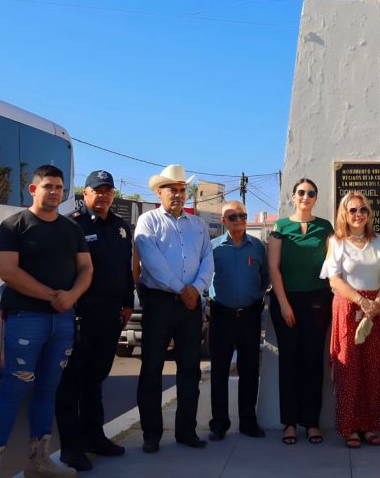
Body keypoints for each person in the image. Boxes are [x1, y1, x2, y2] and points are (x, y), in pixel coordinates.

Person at [0, 165, 92, 478]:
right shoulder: (13, 226)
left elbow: (86, 269)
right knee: (15, 389)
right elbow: (8, 272)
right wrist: (53, 295)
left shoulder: (72, 229)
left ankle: (38, 461)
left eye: (59, 187)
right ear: (33, 190)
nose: (54, 192)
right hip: (26, 319)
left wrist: (70, 297)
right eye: (48, 186)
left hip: (64, 321)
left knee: (47, 389)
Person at [55, 170, 135, 471]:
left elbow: (125, 270)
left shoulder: (120, 227)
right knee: (71, 381)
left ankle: (94, 437)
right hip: (81, 313)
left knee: (96, 378)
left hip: (111, 314)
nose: (102, 195)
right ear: (85, 194)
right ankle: (70, 446)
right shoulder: (72, 224)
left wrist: (128, 302)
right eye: (96, 190)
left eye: (107, 190)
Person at [135, 164, 214, 453]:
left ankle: (186, 431)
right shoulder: (148, 221)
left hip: (191, 304)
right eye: (173, 189)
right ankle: (151, 434)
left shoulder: (198, 225)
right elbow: (152, 262)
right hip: (159, 302)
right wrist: (182, 289)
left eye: (182, 190)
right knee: (152, 368)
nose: (179, 195)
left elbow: (208, 260)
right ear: (160, 192)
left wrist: (197, 289)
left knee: (190, 370)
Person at [320, 191, 380, 448]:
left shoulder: (379, 241)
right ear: (344, 214)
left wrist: (377, 304)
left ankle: (370, 426)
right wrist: (361, 301)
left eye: (363, 209)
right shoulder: (336, 242)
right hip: (348, 308)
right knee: (348, 369)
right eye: (352, 210)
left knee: (373, 369)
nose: (358, 214)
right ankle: (349, 427)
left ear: (369, 213)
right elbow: (334, 279)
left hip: (375, 308)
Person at [268, 178, 335, 445]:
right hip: (287, 301)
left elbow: (333, 262)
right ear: (293, 197)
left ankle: (312, 423)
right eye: (301, 193)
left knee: (312, 362)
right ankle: (290, 423)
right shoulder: (281, 227)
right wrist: (284, 304)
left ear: (316, 198)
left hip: (318, 301)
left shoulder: (324, 227)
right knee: (289, 362)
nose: (306, 197)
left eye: (311, 193)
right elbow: (274, 268)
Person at [207, 201, 269, 441]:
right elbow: (205, 277)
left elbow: (264, 279)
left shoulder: (258, 247)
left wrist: (254, 298)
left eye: (242, 215)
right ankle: (219, 423)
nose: (239, 220)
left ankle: (248, 422)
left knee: (250, 370)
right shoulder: (212, 248)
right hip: (222, 314)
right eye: (232, 217)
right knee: (220, 371)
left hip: (250, 315)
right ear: (224, 221)